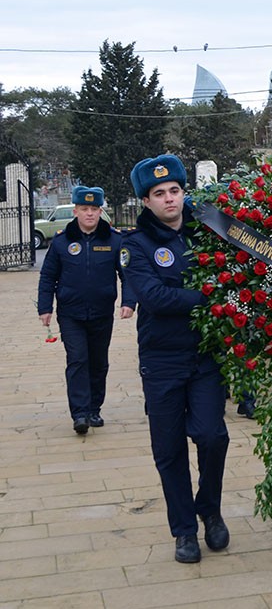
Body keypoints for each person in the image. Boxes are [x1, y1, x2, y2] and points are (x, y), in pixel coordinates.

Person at [120, 154, 230, 564]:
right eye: (159, 194)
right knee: (168, 451)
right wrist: (212, 299)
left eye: (175, 191)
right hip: (162, 360)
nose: (169, 200)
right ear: (145, 202)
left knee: (212, 436)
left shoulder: (207, 232)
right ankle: (184, 531)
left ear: (185, 193)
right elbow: (154, 297)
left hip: (205, 356)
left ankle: (210, 509)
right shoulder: (135, 245)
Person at [37, 186, 135, 435]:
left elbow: (127, 275)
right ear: (76, 210)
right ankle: (80, 413)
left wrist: (128, 302)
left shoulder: (114, 240)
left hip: (102, 313)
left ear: (100, 211)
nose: (89, 214)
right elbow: (48, 277)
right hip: (70, 314)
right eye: (84, 209)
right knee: (78, 359)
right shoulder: (61, 242)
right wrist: (45, 307)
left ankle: (94, 408)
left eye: (94, 209)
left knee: (99, 362)